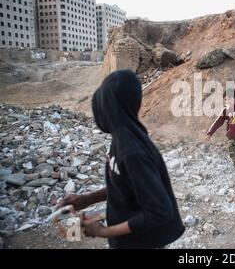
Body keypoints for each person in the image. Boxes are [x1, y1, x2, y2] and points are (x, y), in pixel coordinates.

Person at [57, 70, 185, 249]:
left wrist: (102, 231)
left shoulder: (131, 150)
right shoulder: (122, 137)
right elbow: (127, 185)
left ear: (109, 107)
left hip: (142, 243)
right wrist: (88, 199)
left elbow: (160, 212)